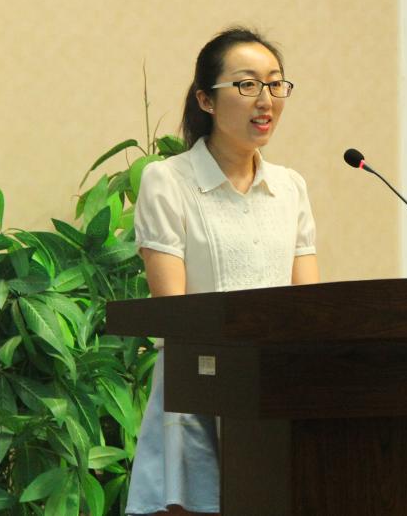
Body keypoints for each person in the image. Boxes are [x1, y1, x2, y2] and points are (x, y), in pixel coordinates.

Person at [125, 27, 319, 516]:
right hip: (199, 390)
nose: (266, 100)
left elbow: (311, 312)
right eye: (247, 84)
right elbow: (174, 315)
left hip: (275, 394)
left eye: (275, 83)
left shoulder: (290, 187)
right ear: (206, 100)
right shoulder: (167, 181)